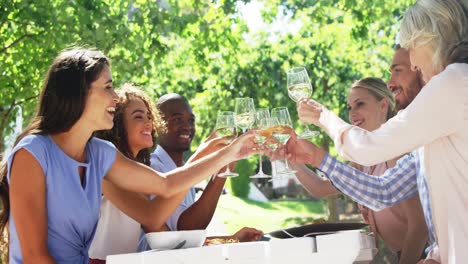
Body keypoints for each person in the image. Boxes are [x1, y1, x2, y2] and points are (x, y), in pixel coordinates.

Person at [0, 48, 257, 263]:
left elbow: (165, 186)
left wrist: (227, 154)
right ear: (79, 93)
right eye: (108, 87)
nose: (115, 97)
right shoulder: (32, 153)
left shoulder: (99, 153)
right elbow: (34, 256)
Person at [296, 1, 468, 262]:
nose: (413, 61)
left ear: (429, 38)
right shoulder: (443, 110)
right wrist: (436, 254)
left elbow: (367, 148)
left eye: (411, 48)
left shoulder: (454, 81)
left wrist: (324, 117)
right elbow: (384, 191)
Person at [89, 87, 262, 262]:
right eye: (139, 117)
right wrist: (223, 155)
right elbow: (162, 199)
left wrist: (232, 240)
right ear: (117, 124)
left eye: (149, 117)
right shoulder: (106, 169)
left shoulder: (137, 175)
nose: (149, 123)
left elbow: (170, 242)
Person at [287, 77, 428, 264]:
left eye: (360, 104)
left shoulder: (396, 154)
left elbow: (419, 227)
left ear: (383, 105)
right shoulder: (364, 160)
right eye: (349, 107)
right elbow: (320, 188)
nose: (352, 114)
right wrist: (289, 157)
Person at [137, 93, 262, 251]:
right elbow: (186, 229)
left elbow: (182, 241)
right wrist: (221, 169)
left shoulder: (182, 167)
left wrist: (232, 240)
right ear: (157, 124)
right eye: (177, 119)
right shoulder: (154, 167)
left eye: (191, 120)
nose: (187, 126)